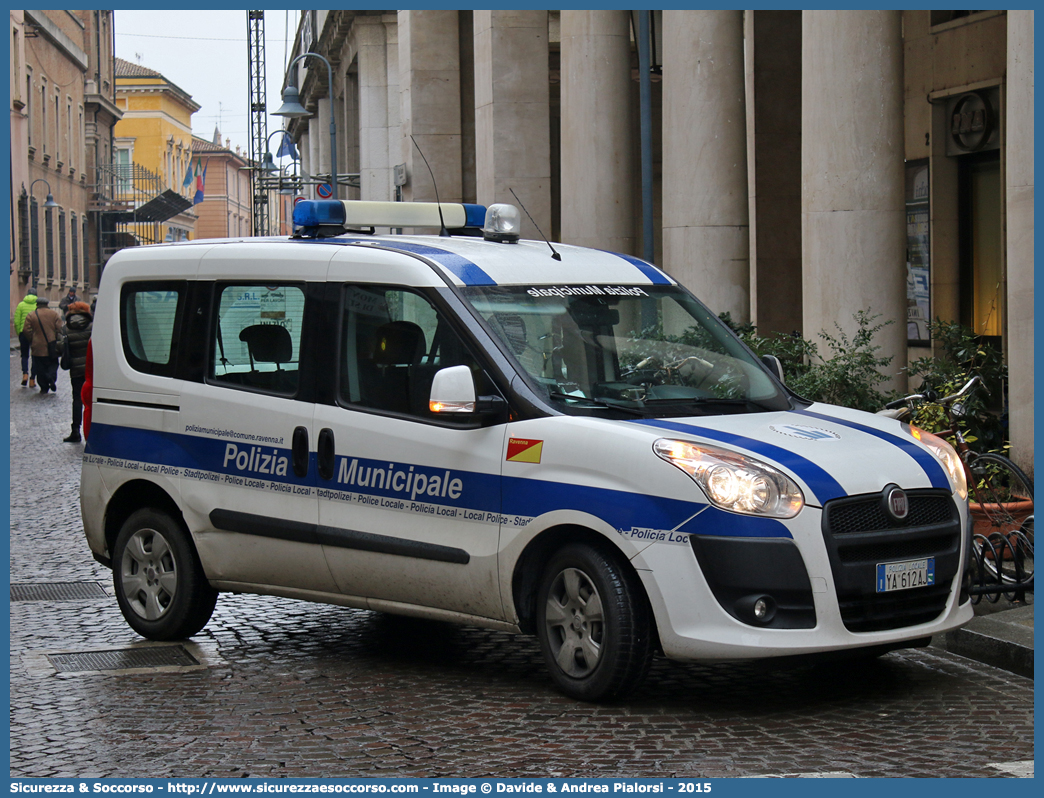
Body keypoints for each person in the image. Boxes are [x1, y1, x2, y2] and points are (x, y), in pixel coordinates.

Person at [60, 300, 93, 442]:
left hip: (75, 370)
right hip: (92, 370)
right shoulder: (92, 327)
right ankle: (93, 430)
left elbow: (59, 348)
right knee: (93, 400)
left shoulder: (66, 329)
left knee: (77, 399)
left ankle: (75, 431)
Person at [22, 295, 62, 394]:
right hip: (52, 345)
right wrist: (55, 338)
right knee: (53, 363)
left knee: (40, 367)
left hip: (38, 346)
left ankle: (44, 387)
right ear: (47, 304)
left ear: (37, 304)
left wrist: (33, 338)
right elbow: (60, 329)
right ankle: (51, 377)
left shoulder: (31, 315)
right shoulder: (54, 314)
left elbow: (26, 330)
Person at [13, 286, 38, 387]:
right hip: (35, 333)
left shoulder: (21, 305)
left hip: (23, 333)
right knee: (35, 356)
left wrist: (19, 332)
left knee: (24, 355)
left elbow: (16, 321)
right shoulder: (38, 305)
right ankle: (32, 379)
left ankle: (25, 374)